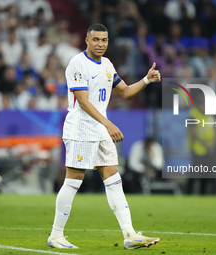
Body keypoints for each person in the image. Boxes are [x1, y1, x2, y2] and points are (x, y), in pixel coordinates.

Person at [47, 23, 161, 250]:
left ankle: (129, 234)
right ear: (87, 40)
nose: (101, 44)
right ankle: (56, 235)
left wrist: (146, 80)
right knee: (73, 180)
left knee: (114, 180)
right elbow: (83, 101)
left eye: (105, 40)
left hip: (99, 130)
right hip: (81, 129)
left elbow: (126, 92)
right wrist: (108, 124)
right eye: (96, 39)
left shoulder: (107, 65)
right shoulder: (77, 64)